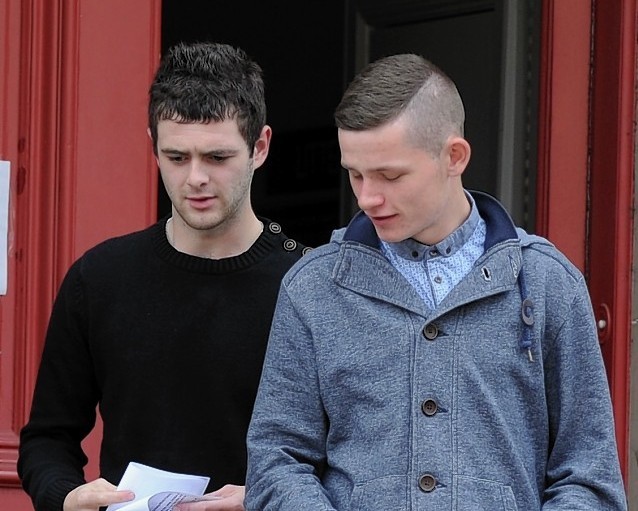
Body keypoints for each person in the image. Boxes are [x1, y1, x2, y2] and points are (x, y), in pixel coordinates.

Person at [244, 53, 628, 510]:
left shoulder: (548, 284)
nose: (367, 197)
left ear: (454, 156)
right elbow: (276, 461)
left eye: (390, 175)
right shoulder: (313, 288)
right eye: (355, 174)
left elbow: (590, 478)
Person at [18, 41, 308, 511]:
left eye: (217, 158)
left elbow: (354, 453)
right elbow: (47, 439)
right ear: (153, 148)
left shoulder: (309, 284)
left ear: (260, 147)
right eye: (177, 157)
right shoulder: (99, 278)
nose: (195, 178)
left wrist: (268, 499)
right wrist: (66, 495)